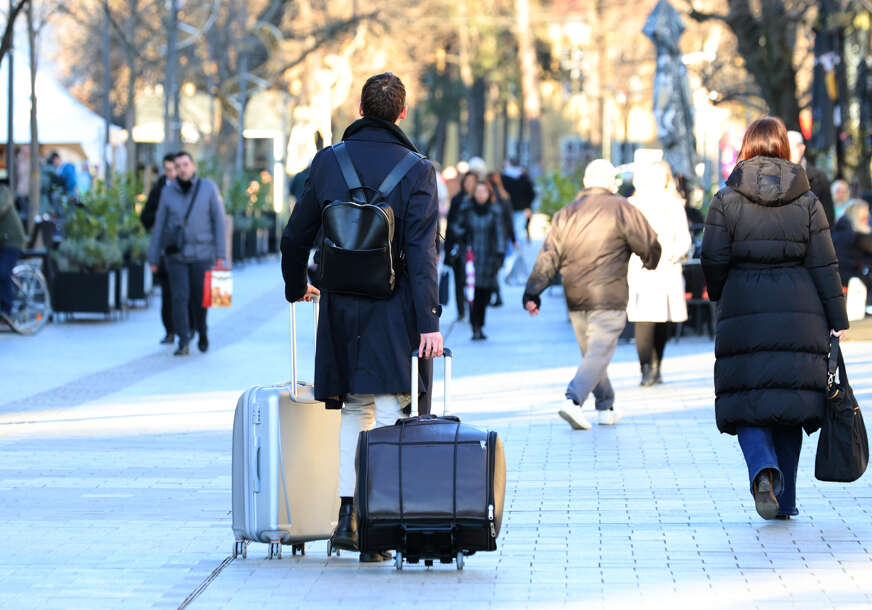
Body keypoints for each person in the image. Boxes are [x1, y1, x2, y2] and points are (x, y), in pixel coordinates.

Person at [280, 72, 442, 563]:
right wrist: (429, 321)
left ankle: (348, 519)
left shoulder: (329, 161)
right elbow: (421, 254)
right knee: (394, 411)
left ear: (360, 107)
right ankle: (383, 523)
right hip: (393, 310)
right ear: (402, 112)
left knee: (352, 410)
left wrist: (296, 286)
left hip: (339, 307)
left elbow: (294, 237)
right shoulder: (417, 170)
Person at [701, 117, 848, 521]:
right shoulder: (808, 201)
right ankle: (785, 500)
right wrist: (837, 318)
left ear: (746, 147)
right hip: (800, 313)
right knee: (791, 402)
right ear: (784, 146)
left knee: (749, 402)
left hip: (744, 311)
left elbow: (712, 258)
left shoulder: (725, 200)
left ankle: (763, 469)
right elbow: (824, 263)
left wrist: (721, 294)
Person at [523, 159, 661, 429]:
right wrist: (650, 259)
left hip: (575, 296)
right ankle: (573, 400)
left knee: (594, 354)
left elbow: (549, 255)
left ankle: (606, 406)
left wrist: (533, 291)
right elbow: (648, 242)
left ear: (586, 182)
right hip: (609, 295)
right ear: (611, 183)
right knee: (598, 353)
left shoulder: (567, 213)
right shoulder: (622, 208)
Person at [147, 151, 227, 356]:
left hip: (202, 254)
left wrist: (221, 255)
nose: (182, 169)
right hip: (176, 255)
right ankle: (183, 340)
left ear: (193, 166)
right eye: (178, 165)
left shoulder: (208, 188)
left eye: (185, 164)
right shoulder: (168, 192)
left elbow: (219, 222)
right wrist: (153, 257)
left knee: (201, 298)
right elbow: (159, 226)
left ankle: (202, 331)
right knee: (179, 297)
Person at [627, 161, 692, 386]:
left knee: (663, 320)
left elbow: (684, 238)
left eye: (661, 176)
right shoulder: (633, 204)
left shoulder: (674, 205)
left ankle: (657, 365)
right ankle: (645, 366)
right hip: (642, 267)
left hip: (667, 267)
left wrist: (674, 253)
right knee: (644, 320)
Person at [452, 181, 505, 340]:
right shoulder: (467, 209)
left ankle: (480, 324)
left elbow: (500, 233)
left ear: (489, 194)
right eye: (478, 191)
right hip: (471, 257)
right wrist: (463, 232)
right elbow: (455, 226)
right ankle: (474, 326)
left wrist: (500, 253)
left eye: (484, 192)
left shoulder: (494, 211)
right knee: (472, 292)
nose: (481, 195)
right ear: (474, 193)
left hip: (489, 257)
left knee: (484, 293)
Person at [141, 153, 179, 345]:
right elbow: (145, 216)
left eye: (173, 169)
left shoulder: (188, 187)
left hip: (185, 250)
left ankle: (186, 329)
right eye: (167, 170)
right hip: (165, 248)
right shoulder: (160, 188)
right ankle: (170, 330)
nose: (170, 173)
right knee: (167, 292)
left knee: (184, 293)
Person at [444, 171, 477, 320]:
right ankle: (461, 311)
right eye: (467, 182)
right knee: (459, 279)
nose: (470, 185)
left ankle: (474, 309)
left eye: (473, 182)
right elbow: (451, 224)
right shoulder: (458, 199)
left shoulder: (480, 199)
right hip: (460, 245)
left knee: (474, 280)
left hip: (476, 246)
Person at [787, 130, 835, 227]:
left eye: (793, 147)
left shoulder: (820, 177)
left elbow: (828, 215)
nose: (789, 151)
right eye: (787, 148)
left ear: (802, 148)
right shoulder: (778, 175)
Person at [486, 171, 517, 307]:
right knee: (495, 269)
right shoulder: (505, 196)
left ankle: (496, 295)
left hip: (490, 237)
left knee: (491, 269)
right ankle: (496, 295)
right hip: (502, 237)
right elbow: (509, 220)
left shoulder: (489, 197)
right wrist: (513, 238)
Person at [832, 199, 872, 294]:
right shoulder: (859, 237)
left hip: (836, 280)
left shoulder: (837, 231)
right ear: (862, 218)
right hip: (856, 284)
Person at [0, 185, 26, 325]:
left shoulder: (3, 191)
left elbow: (1, 207)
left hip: (12, 241)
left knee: (3, 273)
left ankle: (6, 311)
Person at [501, 158, 536, 243]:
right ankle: (517, 252)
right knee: (518, 232)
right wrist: (527, 206)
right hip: (520, 208)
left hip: (512, 209)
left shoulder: (504, 178)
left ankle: (513, 253)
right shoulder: (523, 177)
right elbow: (531, 194)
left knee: (511, 231)